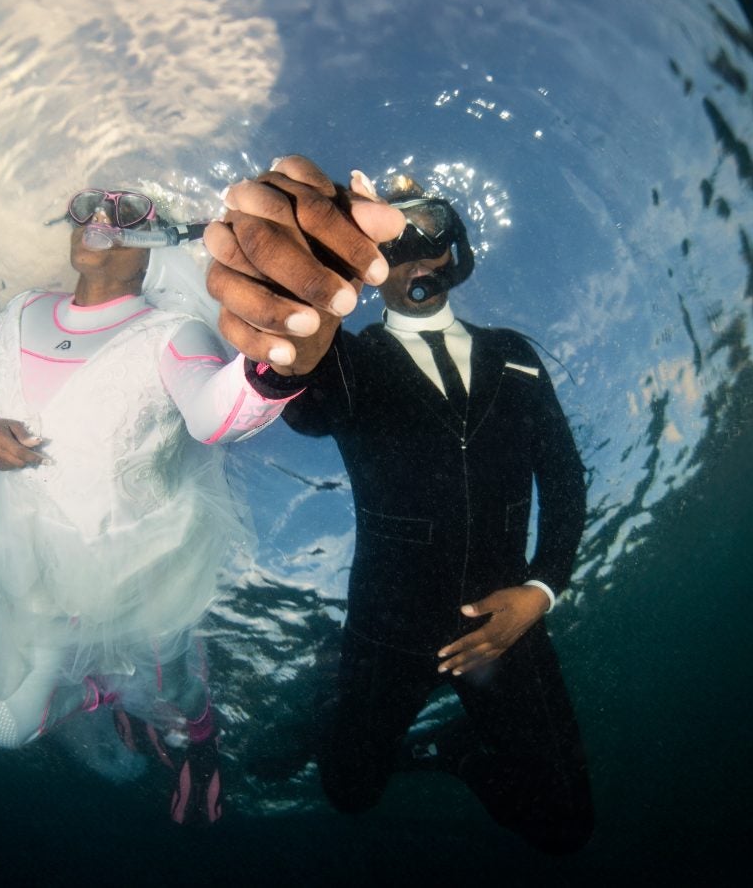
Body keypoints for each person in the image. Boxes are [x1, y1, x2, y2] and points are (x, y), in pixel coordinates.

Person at [206, 158, 594, 853]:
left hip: (503, 620)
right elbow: (311, 402)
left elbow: (563, 479)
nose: (416, 249)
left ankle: (459, 751)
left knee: (565, 823)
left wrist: (541, 590)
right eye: (394, 240)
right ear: (370, 265)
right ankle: (347, 705)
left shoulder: (514, 357)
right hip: (391, 624)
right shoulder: (353, 359)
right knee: (349, 793)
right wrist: (290, 339)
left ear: (457, 249)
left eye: (432, 228)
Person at [0, 188, 307, 825]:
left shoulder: (173, 333)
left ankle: (200, 731)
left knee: (173, 687)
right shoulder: (20, 313)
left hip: (149, 561)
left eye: (126, 213)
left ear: (156, 250)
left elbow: (217, 417)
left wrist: (279, 367)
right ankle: (102, 689)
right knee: (1, 729)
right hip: (35, 569)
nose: (101, 222)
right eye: (88, 207)